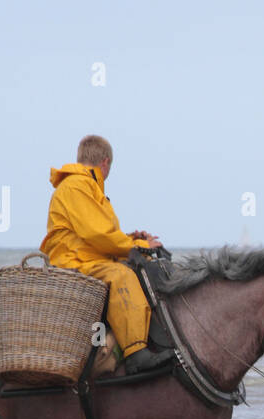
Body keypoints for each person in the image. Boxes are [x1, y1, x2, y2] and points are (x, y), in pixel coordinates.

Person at [40, 135, 174, 374]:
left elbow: (102, 233)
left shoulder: (86, 186)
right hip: (73, 261)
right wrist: (140, 245)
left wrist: (133, 239)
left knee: (137, 266)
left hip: (86, 256)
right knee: (122, 275)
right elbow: (97, 234)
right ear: (105, 162)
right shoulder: (77, 186)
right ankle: (135, 352)